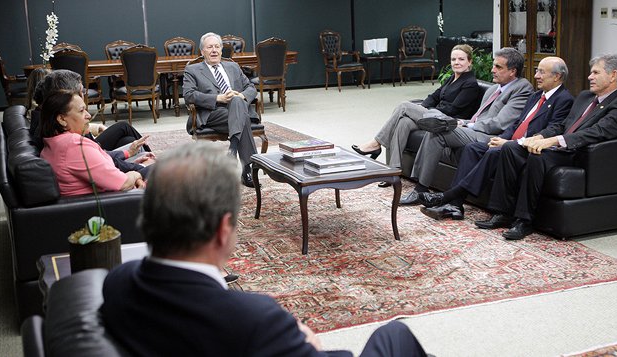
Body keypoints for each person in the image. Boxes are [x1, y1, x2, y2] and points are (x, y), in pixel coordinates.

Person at [101, 141, 428, 357]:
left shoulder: (117, 283)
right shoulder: (253, 318)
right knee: (395, 336)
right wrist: (308, 342)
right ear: (222, 230)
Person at [483, 54, 617, 240]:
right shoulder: (586, 97)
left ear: (613, 75)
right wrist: (539, 137)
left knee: (537, 156)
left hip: (577, 153)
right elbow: (562, 124)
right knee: (510, 148)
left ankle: (524, 221)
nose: (589, 77)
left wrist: (553, 141)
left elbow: (597, 132)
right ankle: (503, 213)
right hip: (557, 146)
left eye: (595, 72)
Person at [420, 56, 574, 220]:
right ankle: (455, 206)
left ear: (557, 76)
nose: (536, 76)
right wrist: (500, 138)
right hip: (507, 142)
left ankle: (447, 197)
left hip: (524, 148)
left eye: (541, 72)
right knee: (472, 148)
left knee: (493, 153)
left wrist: (509, 142)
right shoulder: (536, 96)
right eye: (537, 71)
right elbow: (516, 125)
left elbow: (551, 130)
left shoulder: (564, 99)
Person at [401, 47, 534, 205]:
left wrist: (468, 126)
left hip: (490, 136)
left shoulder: (522, 88)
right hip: (472, 128)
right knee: (434, 130)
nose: (492, 70)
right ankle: (421, 188)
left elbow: (500, 123)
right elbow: (477, 116)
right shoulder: (493, 89)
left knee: (434, 125)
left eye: (498, 67)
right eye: (493, 65)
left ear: (512, 71)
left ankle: (421, 189)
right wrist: (464, 123)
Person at [352, 44, 483, 168]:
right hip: (435, 115)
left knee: (404, 106)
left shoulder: (470, 83)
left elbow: (453, 109)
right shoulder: (452, 78)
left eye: (461, 59)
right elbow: (434, 96)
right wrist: (423, 108)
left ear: (469, 62)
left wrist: (427, 110)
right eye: (453, 59)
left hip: (448, 121)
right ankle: (394, 169)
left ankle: (376, 143)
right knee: (404, 122)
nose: (456, 62)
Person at [31, 69, 154, 177]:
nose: (82, 95)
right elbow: (106, 168)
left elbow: (100, 158)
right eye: (81, 92)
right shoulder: (71, 143)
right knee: (124, 128)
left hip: (102, 164)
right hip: (110, 182)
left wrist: (129, 157)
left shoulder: (55, 127)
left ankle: (151, 158)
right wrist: (141, 169)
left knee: (128, 140)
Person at [184, 32, 260, 188]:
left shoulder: (232, 66)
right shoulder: (192, 70)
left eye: (217, 47)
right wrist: (217, 98)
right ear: (202, 51)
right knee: (242, 116)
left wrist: (242, 95)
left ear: (221, 49)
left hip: (237, 109)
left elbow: (251, 87)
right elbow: (188, 95)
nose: (214, 50)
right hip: (213, 113)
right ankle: (248, 170)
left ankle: (233, 150)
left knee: (238, 102)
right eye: (209, 47)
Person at [38, 90, 146, 196]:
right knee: (159, 169)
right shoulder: (74, 145)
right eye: (81, 111)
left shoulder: (53, 143)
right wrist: (136, 174)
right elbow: (123, 183)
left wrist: (133, 163)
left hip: (103, 199)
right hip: (115, 202)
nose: (89, 115)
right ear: (62, 119)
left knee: (131, 144)